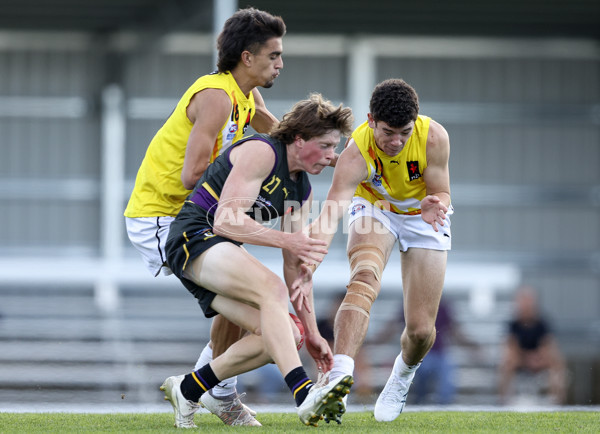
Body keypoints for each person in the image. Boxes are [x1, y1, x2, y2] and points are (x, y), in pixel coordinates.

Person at [123, 7, 285, 426]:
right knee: (252, 303)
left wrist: (344, 160)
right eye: (274, 56)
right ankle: (213, 389)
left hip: (197, 214)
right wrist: (245, 198)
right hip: (161, 217)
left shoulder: (248, 97)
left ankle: (211, 390)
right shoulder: (215, 97)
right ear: (247, 57)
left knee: (244, 295)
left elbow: (285, 137)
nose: (280, 64)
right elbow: (192, 174)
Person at [160, 94, 355, 428]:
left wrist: (311, 334)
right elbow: (225, 220)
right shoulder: (262, 151)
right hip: (194, 237)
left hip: (222, 253)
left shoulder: (301, 191)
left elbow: (294, 267)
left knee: (283, 337)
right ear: (299, 139)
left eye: (334, 148)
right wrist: (288, 238)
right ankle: (304, 395)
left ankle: (189, 388)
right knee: (272, 290)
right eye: (325, 145)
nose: (331, 156)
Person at [298, 78, 453, 422]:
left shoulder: (434, 138)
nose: (396, 142)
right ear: (371, 120)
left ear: (415, 122)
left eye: (404, 132)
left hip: (423, 215)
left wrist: (434, 203)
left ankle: (402, 376)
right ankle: (339, 375)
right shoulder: (355, 152)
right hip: (375, 208)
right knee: (364, 278)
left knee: (421, 331)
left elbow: (442, 192)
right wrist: (310, 256)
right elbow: (331, 212)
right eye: (387, 132)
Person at [497, 286, 567, 405]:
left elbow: (547, 345)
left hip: (539, 359)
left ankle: (556, 402)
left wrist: (537, 358)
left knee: (557, 362)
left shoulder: (542, 323)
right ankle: (504, 401)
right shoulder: (513, 324)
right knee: (507, 362)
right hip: (519, 360)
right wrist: (526, 358)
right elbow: (511, 347)